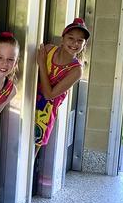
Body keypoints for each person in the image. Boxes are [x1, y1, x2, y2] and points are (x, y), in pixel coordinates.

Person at [34, 17, 90, 153]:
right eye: (71, 38)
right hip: (30, 101)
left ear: (84, 44)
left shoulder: (76, 70)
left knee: (32, 150)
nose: (75, 43)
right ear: (63, 38)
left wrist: (42, 64)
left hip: (45, 112)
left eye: (80, 40)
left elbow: (49, 94)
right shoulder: (48, 50)